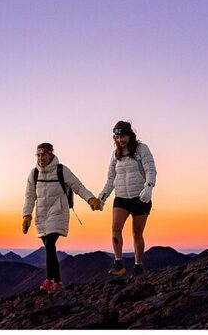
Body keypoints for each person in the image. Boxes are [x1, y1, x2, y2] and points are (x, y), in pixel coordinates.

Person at [22, 142, 102, 293]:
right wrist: (26, 215)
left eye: (43, 154)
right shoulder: (34, 174)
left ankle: (49, 280)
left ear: (50, 154)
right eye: (38, 155)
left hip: (58, 212)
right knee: (49, 247)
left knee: (50, 243)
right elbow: (29, 196)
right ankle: (57, 282)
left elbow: (78, 186)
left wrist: (90, 199)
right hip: (41, 215)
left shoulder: (62, 170)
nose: (40, 158)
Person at [98, 120, 158, 278]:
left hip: (140, 197)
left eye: (123, 136)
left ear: (130, 135)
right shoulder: (115, 155)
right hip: (121, 197)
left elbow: (151, 169)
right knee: (115, 229)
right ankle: (118, 264)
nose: (121, 140)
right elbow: (111, 178)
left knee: (137, 233)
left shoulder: (141, 149)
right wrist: (103, 195)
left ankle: (138, 266)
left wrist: (149, 186)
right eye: (117, 137)